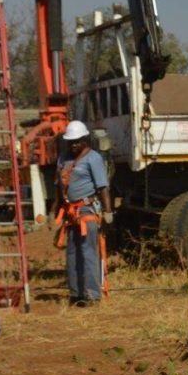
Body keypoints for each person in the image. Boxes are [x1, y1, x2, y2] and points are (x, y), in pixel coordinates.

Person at [52, 120, 113, 307]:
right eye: (71, 142)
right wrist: (54, 210)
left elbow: (103, 187)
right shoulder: (63, 158)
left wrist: (108, 211)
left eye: (77, 141)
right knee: (72, 253)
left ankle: (92, 295)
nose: (73, 145)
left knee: (88, 253)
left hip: (87, 210)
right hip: (71, 213)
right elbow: (58, 186)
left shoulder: (93, 158)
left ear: (85, 140)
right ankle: (76, 294)